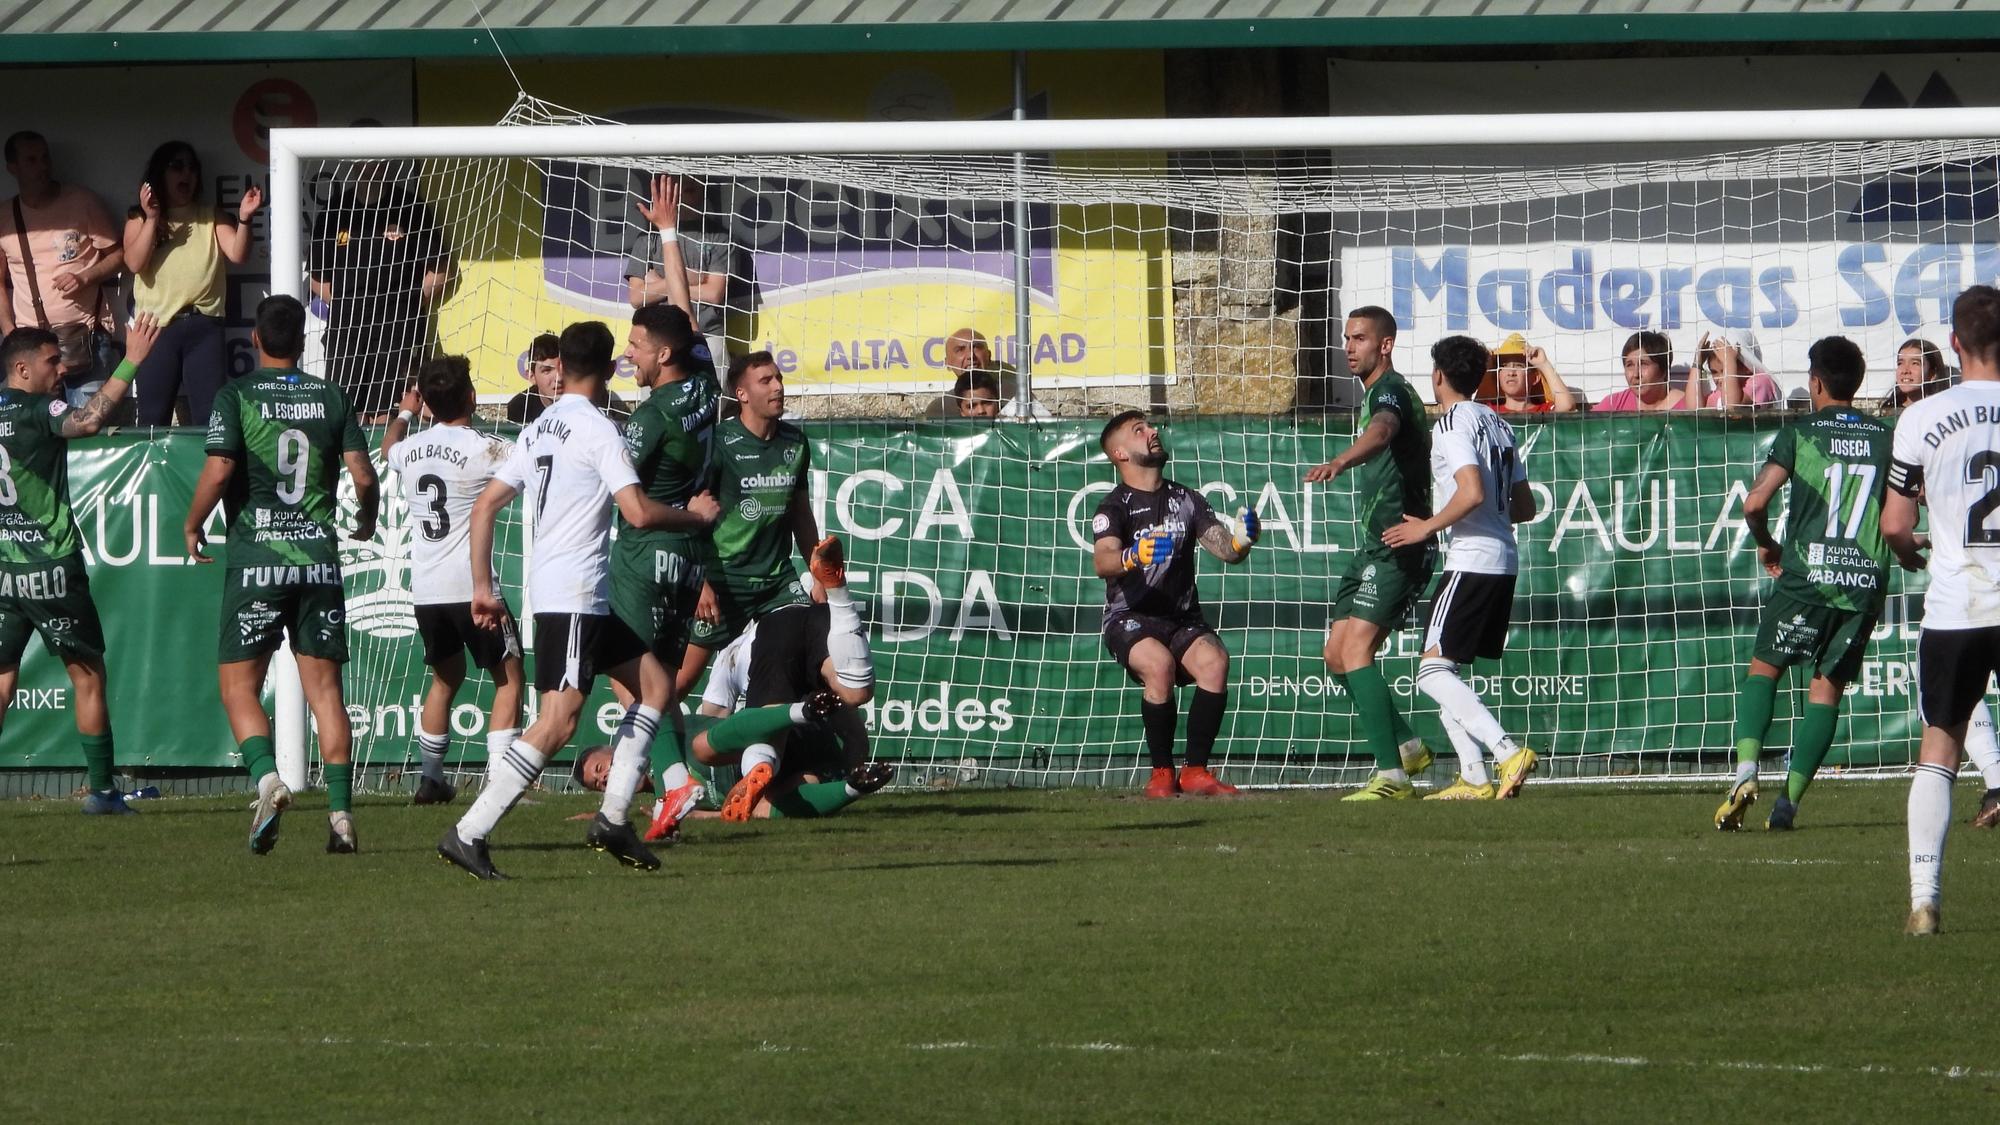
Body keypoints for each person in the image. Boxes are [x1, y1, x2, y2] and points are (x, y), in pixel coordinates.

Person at [437, 320, 720, 881]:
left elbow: (484, 508)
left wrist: (481, 588)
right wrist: (696, 517)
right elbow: (637, 512)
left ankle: (614, 817)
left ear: (559, 367)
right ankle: (469, 831)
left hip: (579, 594)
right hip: (574, 593)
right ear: (612, 366)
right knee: (560, 721)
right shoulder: (598, 431)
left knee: (656, 687)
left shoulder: (540, 428)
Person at [183, 295, 377, 855]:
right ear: (302, 341)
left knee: (239, 687)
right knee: (326, 694)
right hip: (318, 561)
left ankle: (269, 782)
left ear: (255, 341)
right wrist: (364, 517)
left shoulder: (236, 395)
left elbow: (219, 470)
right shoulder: (330, 395)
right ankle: (340, 817)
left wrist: (192, 523)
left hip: (257, 562)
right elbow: (363, 477)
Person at [1712, 336, 1892, 832]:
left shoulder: (1802, 432)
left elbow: (1754, 502)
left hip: (1807, 575)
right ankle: (1788, 804)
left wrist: (1766, 542)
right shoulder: (1886, 436)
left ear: (1815, 382)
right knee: (1825, 693)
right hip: (1862, 584)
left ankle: (1746, 772)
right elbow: (1903, 510)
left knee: (1763, 671)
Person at [0, 314, 158, 813]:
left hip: (5, 568)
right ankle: (103, 793)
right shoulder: (34, 408)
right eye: (51, 362)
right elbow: (87, 420)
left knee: (1, 679)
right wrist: (131, 358)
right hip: (50, 564)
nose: (61, 369)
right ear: (21, 369)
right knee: (88, 676)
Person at [610, 183, 725, 843]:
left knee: (633, 684)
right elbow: (684, 313)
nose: (630, 353)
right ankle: (666, 790)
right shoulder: (703, 383)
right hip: (688, 557)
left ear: (663, 356)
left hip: (647, 551)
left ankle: (676, 781)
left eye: (637, 346)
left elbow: (630, 501)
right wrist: (670, 235)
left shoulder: (651, 417)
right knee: (660, 686)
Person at [1883, 284, 2000, 936]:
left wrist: (1906, 551)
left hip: (1956, 604)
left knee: (1940, 746)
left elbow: (1897, 522)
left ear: (1953, 344)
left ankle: (1925, 898)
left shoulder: (1922, 417)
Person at [1382, 335, 1541, 801]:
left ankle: (1505, 750)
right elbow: (1525, 506)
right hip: (1502, 559)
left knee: (1431, 673)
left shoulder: (1452, 424)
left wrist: (1427, 527)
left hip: (1471, 559)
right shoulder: (1497, 422)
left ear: (1437, 376)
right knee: (1445, 671)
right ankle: (1473, 775)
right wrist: (1487, 514)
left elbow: (1470, 491)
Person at [1304, 305, 1436, 800]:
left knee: (1357, 650)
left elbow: (1381, 431)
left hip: (1401, 544)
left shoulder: (1391, 391)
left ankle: (1392, 779)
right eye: (1346, 338)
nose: (1349, 347)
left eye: (1359, 338)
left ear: (1385, 345)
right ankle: (1407, 747)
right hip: (1371, 547)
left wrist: (1341, 458)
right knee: (1337, 656)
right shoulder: (1375, 392)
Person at [379, 356, 524, 805]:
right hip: (473, 587)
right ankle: (501, 784)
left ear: (426, 403)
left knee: (445, 679)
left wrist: (404, 413)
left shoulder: (410, 450)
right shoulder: (488, 447)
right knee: (510, 678)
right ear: (472, 397)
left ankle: (431, 778)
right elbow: (527, 459)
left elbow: (387, 449)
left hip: (426, 591)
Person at [1094, 411, 1259, 797]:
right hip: (1130, 617)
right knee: (1159, 665)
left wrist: (1242, 541)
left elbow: (1225, 549)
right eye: (1140, 430)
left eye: (1151, 427)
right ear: (1120, 452)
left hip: (1182, 617)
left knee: (1215, 662)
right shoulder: (1113, 507)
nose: (1153, 432)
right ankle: (1161, 773)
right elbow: (1103, 561)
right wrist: (1133, 556)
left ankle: (1196, 771)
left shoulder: (1186, 498)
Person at [675, 351, 818, 704]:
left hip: (777, 584)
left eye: (779, 378)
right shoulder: (719, 443)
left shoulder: (795, 444)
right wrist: (700, 583)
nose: (778, 387)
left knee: (808, 662)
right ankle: (635, 751)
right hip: (722, 582)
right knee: (676, 686)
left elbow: (801, 515)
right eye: (765, 381)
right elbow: (688, 515)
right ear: (741, 394)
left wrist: (820, 575)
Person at [307, 158, 454, 423]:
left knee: (388, 412)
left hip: (396, 326)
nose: (371, 165)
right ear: (351, 162)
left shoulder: (410, 207)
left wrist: (410, 303)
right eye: (364, 158)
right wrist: (345, 305)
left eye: (378, 159)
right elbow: (318, 279)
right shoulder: (335, 210)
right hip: (347, 328)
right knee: (345, 410)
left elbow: (441, 268)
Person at [124, 141, 258, 426]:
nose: (187, 173)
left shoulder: (210, 214)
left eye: (192, 168)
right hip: (155, 329)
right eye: (177, 167)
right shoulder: (138, 217)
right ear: (161, 173)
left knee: (210, 418)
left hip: (204, 327)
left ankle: (206, 472)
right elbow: (134, 263)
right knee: (152, 418)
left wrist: (245, 218)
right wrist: (152, 218)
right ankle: (153, 472)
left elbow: (238, 253)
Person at [0, 131, 128, 416]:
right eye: (31, 160)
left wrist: (85, 277)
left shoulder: (83, 201)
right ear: (13, 168)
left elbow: (121, 256)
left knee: (89, 434)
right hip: (30, 351)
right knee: (31, 434)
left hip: (84, 342)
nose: (42, 166)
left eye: (45, 158)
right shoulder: (4, 217)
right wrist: (9, 332)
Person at [625, 174, 738, 373]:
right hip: (658, 341)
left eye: (694, 177)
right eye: (681, 178)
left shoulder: (718, 236)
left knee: (710, 402)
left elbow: (714, 294)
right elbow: (636, 297)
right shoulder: (647, 239)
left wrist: (658, 283)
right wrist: (691, 278)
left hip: (707, 335)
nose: (690, 182)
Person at [1591, 331, 1697, 413]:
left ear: (1664, 369)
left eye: (1643, 364)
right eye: (1629, 365)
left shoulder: (1687, 407)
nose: (1636, 374)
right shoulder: (1614, 404)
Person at [1488, 333, 1576, 414]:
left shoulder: (1544, 411)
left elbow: (1567, 406)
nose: (1511, 373)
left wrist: (1544, 364)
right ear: (1498, 375)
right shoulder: (1488, 411)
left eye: (1519, 366)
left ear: (1535, 378)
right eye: (1504, 366)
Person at [1696, 330, 1783, 409]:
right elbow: (1694, 409)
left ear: (1747, 367)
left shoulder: (1761, 381)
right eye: (1714, 372)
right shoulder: (1721, 392)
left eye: (1725, 370)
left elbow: (1732, 407)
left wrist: (1729, 362)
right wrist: (1697, 364)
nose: (1719, 378)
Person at [1878, 337, 1952, 416]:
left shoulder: (1946, 412)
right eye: (1900, 363)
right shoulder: (1888, 413)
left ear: (1933, 374)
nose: (1905, 371)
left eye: (1915, 363)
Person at [504, 333, 561, 425]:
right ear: (532, 377)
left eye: (563, 369)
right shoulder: (520, 406)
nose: (559, 378)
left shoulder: (584, 402)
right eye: (547, 370)